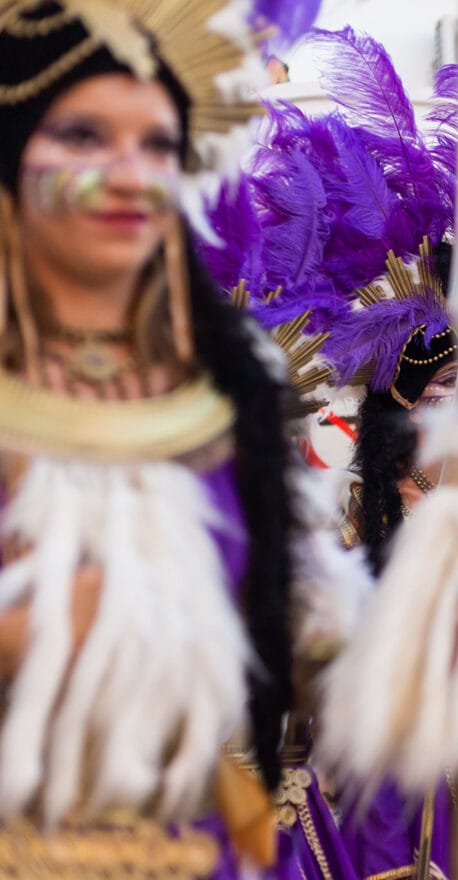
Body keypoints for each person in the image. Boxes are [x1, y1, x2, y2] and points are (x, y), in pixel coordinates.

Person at [213, 48, 458, 879]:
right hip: (395, 744)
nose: (457, 406)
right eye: (436, 390)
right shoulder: (353, 495)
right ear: (397, 399)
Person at [0, 1, 323, 874]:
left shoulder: (225, 396)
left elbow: (299, 627)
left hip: (199, 843)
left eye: (156, 145)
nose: (130, 174)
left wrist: (422, 655)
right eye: (82, 136)